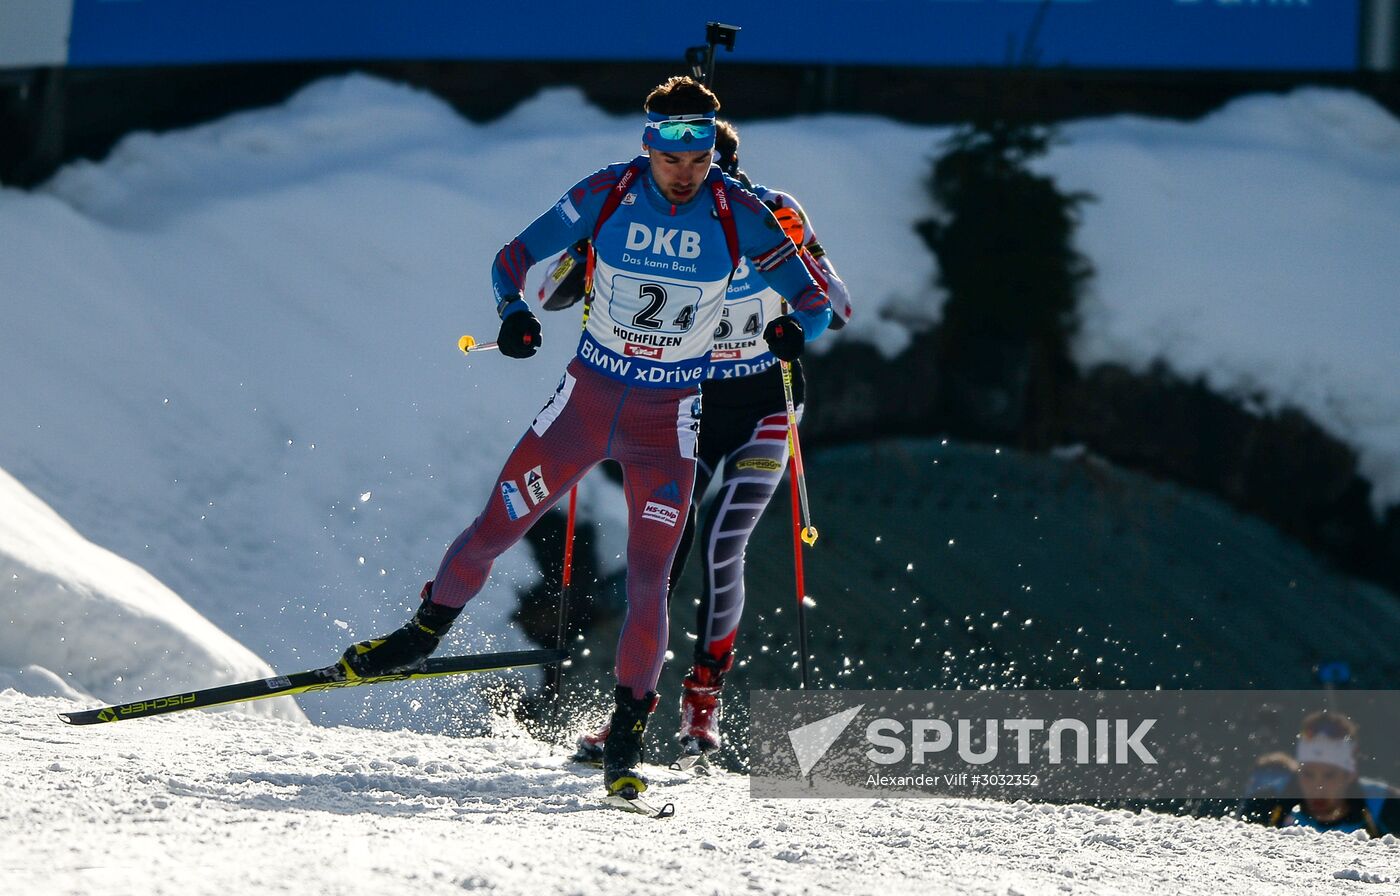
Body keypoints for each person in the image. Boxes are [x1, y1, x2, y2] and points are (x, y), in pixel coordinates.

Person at [338, 77, 833, 800]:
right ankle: (418, 636)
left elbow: (815, 298)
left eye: (699, 158)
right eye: (673, 157)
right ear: (649, 147)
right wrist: (512, 313)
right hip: (582, 405)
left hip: (667, 425)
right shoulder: (607, 193)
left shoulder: (741, 214)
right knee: (493, 529)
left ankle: (627, 736)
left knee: (647, 579)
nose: (686, 173)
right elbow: (512, 258)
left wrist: (792, 330)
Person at [549, 120, 853, 766]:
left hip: (765, 406)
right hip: (682, 407)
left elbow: (836, 305)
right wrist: (586, 264)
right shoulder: (649, 222)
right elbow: (561, 293)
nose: (702, 193)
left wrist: (800, 306)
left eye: (716, 178)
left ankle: (702, 706)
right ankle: (627, 713)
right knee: (658, 555)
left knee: (722, 544)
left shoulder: (771, 214)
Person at [1237, 711, 1400, 837]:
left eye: (1329, 776)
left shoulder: (1386, 804)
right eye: (1308, 775)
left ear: (1350, 775)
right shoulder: (1266, 803)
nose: (1318, 787)